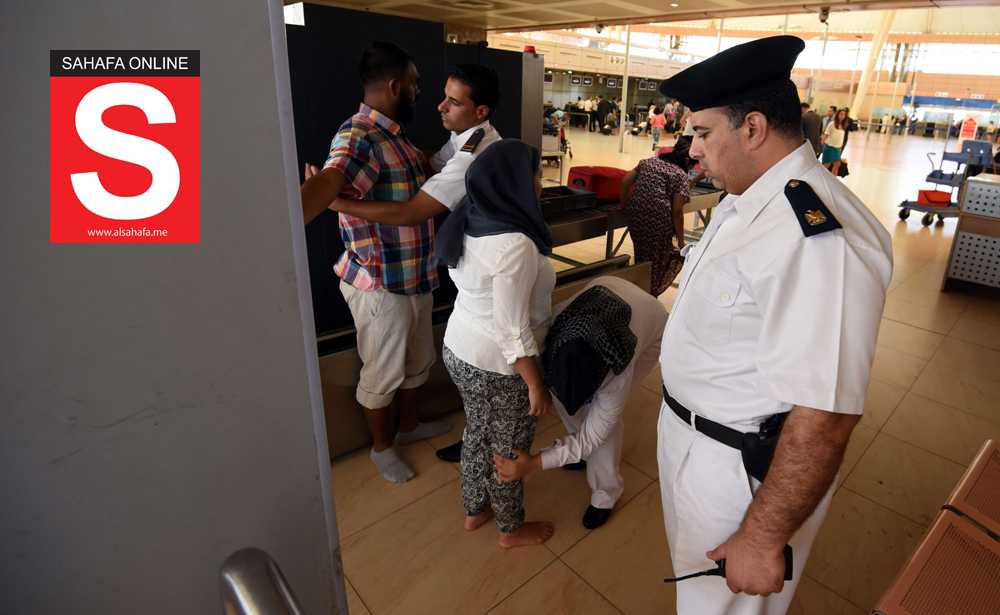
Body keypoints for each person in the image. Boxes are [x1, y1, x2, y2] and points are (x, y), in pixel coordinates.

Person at [656, 35, 892, 614]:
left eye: (703, 132)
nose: (692, 150)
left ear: (753, 128)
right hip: (691, 438)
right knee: (697, 596)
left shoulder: (816, 237)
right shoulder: (747, 202)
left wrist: (762, 536)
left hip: (736, 472)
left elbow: (826, 414)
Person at [299, 42, 449, 484]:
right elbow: (334, 175)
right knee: (383, 373)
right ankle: (382, 448)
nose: (420, 92)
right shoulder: (359, 134)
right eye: (416, 84)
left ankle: (409, 426)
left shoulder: (395, 136)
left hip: (415, 276)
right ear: (395, 85)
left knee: (418, 361)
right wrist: (296, 212)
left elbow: (419, 172)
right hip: (381, 283)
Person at [434, 139, 557, 549]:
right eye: (535, 174)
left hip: (458, 348)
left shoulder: (472, 215)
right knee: (509, 448)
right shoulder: (515, 244)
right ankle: (510, 528)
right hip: (498, 366)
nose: (540, 181)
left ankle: (475, 509)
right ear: (516, 183)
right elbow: (511, 330)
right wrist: (535, 384)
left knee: (477, 430)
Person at [493, 276, 667, 530]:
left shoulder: (616, 373)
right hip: (609, 287)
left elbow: (593, 436)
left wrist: (534, 463)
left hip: (653, 325)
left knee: (602, 429)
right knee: (575, 408)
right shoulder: (553, 330)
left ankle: (606, 493)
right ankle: (579, 454)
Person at [317, 64, 502, 226]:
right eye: (445, 97)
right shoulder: (468, 134)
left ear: (481, 112)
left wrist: (339, 204)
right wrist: (393, 156)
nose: (441, 106)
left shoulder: (473, 157)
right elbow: (432, 165)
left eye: (453, 102)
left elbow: (412, 213)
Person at [620, 138, 693, 296]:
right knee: (657, 263)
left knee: (642, 257)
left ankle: (639, 291)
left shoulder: (648, 162)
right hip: (659, 222)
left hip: (636, 216)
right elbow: (677, 212)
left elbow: (626, 180)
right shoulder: (680, 174)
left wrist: (624, 205)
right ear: (687, 161)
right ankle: (648, 295)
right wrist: (681, 241)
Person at [821, 108, 848, 177]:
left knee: (837, 165)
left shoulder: (843, 125)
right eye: (841, 114)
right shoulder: (832, 124)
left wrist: (840, 147)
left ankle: (833, 179)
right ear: (837, 115)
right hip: (829, 148)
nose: (842, 116)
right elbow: (826, 135)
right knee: (826, 165)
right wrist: (822, 144)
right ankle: (820, 178)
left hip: (837, 149)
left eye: (844, 115)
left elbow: (841, 137)